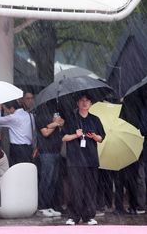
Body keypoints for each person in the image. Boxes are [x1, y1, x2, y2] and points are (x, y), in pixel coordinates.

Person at [61, 93, 105, 226]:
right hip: (75, 159)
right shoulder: (71, 118)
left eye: (87, 101)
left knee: (90, 188)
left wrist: (95, 137)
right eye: (82, 100)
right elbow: (63, 138)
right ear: (77, 103)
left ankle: (89, 216)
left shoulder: (95, 119)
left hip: (91, 159)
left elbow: (101, 138)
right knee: (75, 189)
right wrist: (76, 135)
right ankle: (73, 216)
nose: (84, 103)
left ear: (91, 104)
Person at [35, 106, 64, 217]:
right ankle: (42, 207)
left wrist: (54, 124)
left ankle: (49, 205)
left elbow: (62, 123)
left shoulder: (55, 115)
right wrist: (56, 124)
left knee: (53, 180)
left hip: (56, 151)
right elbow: (45, 132)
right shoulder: (40, 116)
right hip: (46, 152)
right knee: (46, 180)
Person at [0, 100, 34, 166]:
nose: (6, 112)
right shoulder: (30, 115)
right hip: (29, 148)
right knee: (27, 169)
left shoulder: (13, 118)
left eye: (6, 109)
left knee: (16, 170)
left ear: (11, 108)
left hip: (17, 149)